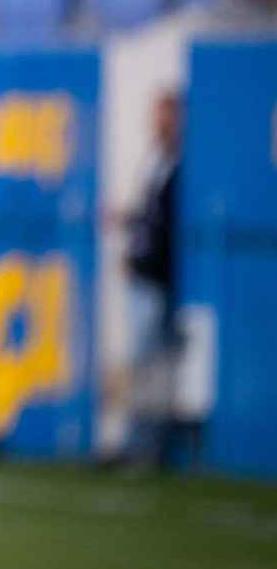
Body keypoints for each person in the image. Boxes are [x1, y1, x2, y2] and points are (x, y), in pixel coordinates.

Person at [108, 91, 186, 468]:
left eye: (167, 116)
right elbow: (149, 218)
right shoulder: (154, 161)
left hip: (159, 277)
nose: (160, 123)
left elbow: (164, 224)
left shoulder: (182, 165)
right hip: (143, 273)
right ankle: (138, 440)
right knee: (142, 362)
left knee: (151, 362)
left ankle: (147, 445)